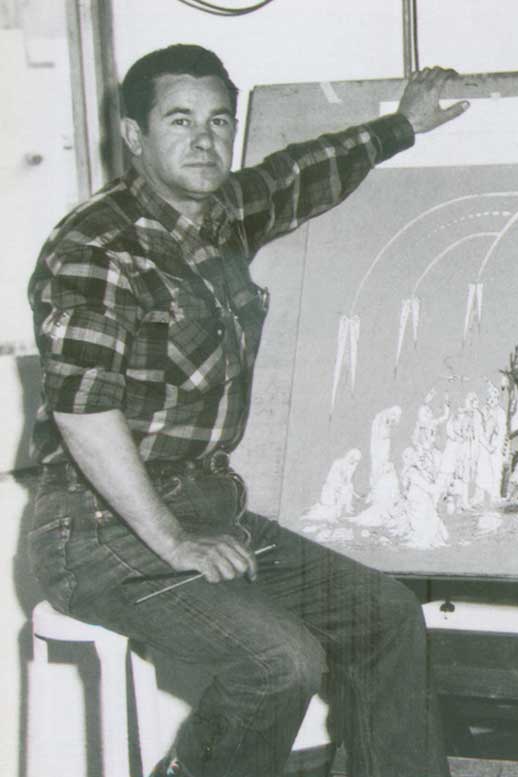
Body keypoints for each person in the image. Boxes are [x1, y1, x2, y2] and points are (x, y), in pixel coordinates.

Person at [26, 44, 468, 777]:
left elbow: (298, 175)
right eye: (180, 120)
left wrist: (404, 125)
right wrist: (175, 541)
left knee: (386, 616)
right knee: (281, 661)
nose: (204, 139)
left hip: (205, 504)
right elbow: (83, 414)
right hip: (96, 527)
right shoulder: (94, 247)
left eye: (219, 121)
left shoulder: (222, 213)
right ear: (134, 136)